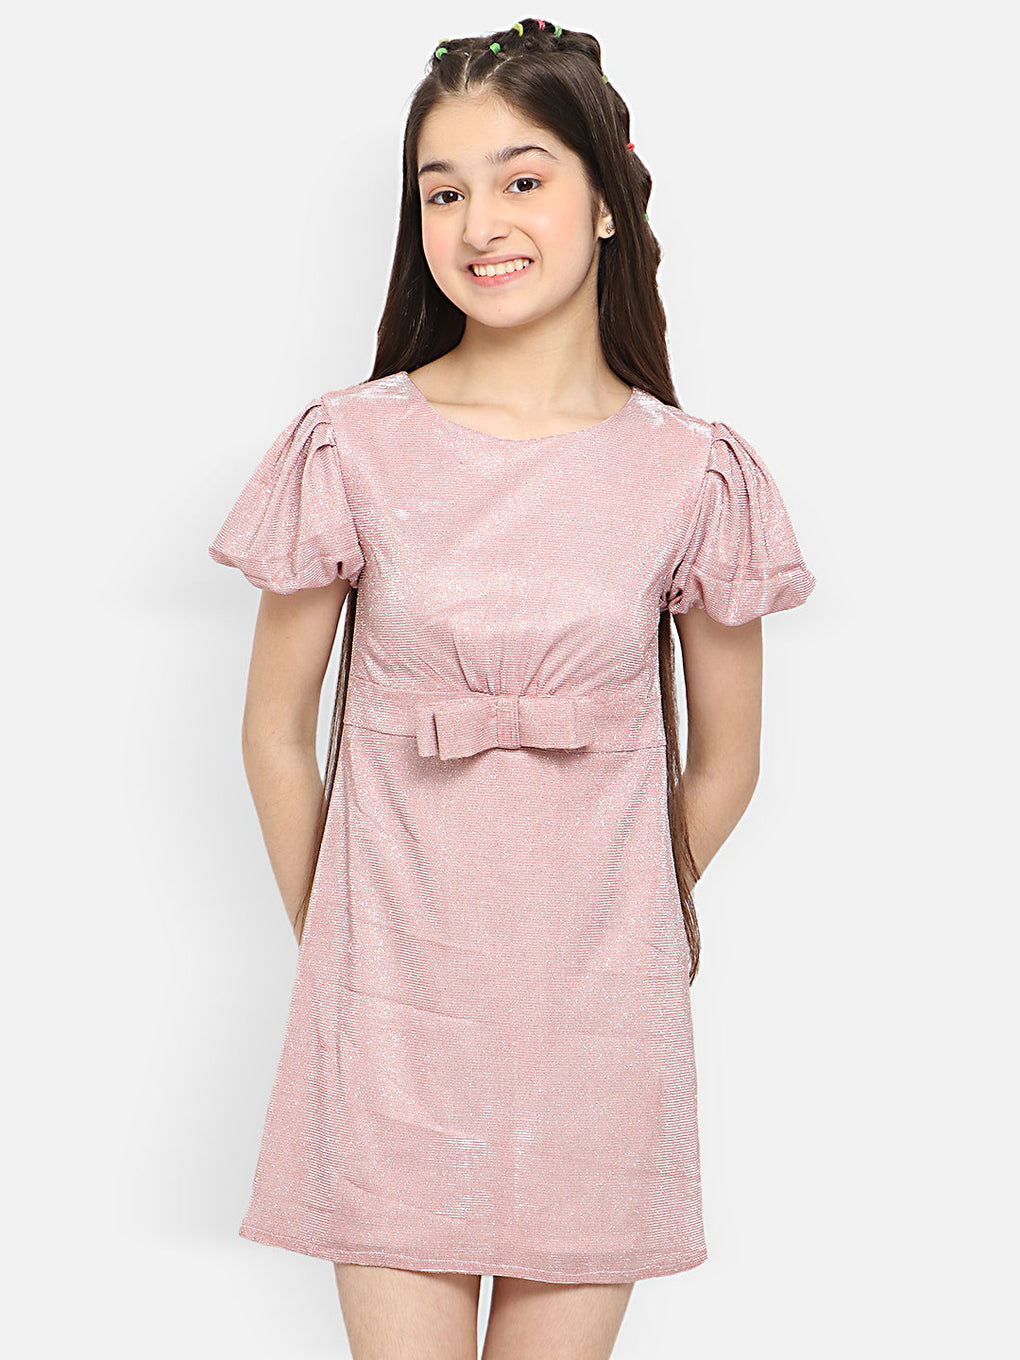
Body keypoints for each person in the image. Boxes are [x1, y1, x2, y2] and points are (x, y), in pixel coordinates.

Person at [208, 17, 817, 1360]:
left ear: (606, 199)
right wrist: (348, 949)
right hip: (390, 1020)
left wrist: (619, 919)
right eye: (443, 191)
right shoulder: (350, 444)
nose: (479, 222)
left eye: (522, 179)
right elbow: (273, 733)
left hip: (599, 1025)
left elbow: (727, 758)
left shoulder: (693, 470)